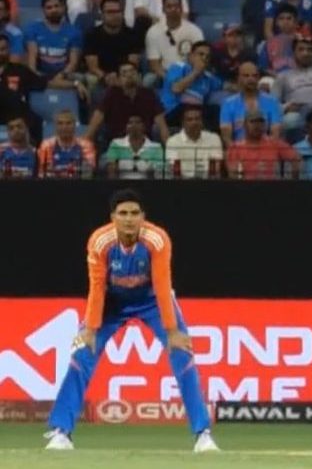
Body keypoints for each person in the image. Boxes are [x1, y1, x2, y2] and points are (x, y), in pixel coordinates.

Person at [42, 190, 217, 452]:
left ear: (143, 217)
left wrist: (172, 331)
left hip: (151, 301)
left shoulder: (157, 240)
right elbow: (97, 286)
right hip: (112, 302)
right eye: (123, 213)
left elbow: (161, 284)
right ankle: (61, 432)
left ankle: (202, 434)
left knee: (182, 353)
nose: (129, 219)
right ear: (112, 217)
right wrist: (90, 329)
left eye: (135, 213)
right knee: (82, 354)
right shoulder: (100, 241)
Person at [85, 61, 169, 145]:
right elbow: (95, 122)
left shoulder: (149, 94)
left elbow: (162, 126)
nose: (129, 75)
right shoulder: (111, 94)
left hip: (145, 145)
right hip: (117, 146)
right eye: (124, 73)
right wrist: (84, 145)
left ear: (139, 76)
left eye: (132, 72)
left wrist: (170, 151)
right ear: (118, 79)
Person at [82, 0, 140, 94]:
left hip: (125, 73)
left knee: (136, 79)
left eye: (118, 11)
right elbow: (92, 66)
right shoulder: (92, 35)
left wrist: (121, 77)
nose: (115, 15)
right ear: (102, 15)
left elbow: (134, 62)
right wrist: (106, 77)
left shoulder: (132, 34)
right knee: (91, 79)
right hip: (101, 74)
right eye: (110, 12)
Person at [26, 0, 84, 90]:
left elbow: (73, 62)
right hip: (40, 74)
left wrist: (61, 76)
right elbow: (32, 59)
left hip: (64, 75)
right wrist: (37, 76)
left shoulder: (75, 32)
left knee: (82, 80)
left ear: (64, 8)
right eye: (49, 8)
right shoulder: (33, 29)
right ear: (43, 10)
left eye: (57, 6)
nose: (53, 10)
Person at [144, 0, 203, 86]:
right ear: (163, 9)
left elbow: (200, 59)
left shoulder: (194, 30)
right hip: (165, 74)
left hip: (188, 73)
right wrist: (170, 79)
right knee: (148, 80)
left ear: (182, 8)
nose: (173, 9)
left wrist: (187, 79)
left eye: (176, 6)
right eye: (169, 6)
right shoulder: (153, 32)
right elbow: (154, 65)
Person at [219, 61, 283, 144]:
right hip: (239, 151)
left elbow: (275, 133)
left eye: (254, 76)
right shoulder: (228, 103)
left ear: (258, 78)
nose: (251, 79)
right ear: (238, 78)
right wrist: (236, 153)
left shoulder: (272, 101)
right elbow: (226, 137)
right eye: (246, 76)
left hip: (265, 150)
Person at [160, 40, 222, 127]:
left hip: (196, 112)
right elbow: (176, 89)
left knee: (216, 110)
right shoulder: (178, 67)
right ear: (191, 56)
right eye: (201, 54)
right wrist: (196, 72)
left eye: (207, 56)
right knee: (189, 108)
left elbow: (223, 85)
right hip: (175, 110)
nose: (204, 58)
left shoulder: (208, 77)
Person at [226, 108, 300, 179]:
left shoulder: (275, 143)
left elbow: (296, 158)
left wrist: (289, 183)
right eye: (253, 121)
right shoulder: (235, 147)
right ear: (245, 125)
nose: (257, 125)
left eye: (260, 122)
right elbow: (233, 176)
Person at [165, 105, 223, 178]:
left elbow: (215, 168)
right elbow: (173, 169)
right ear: (183, 123)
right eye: (190, 119)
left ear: (202, 121)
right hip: (182, 185)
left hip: (208, 184)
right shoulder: (173, 141)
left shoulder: (214, 138)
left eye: (197, 119)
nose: (194, 122)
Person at [104, 114, 165, 179]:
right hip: (121, 186)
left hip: (148, 186)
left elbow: (159, 174)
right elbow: (111, 172)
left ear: (144, 126)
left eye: (138, 122)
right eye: (130, 123)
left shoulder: (156, 147)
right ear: (126, 127)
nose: (134, 125)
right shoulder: (116, 144)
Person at [37, 109, 96, 177]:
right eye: (60, 123)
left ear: (74, 125)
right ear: (55, 126)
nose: (64, 127)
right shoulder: (46, 145)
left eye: (68, 123)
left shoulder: (86, 145)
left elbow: (88, 173)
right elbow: (43, 172)